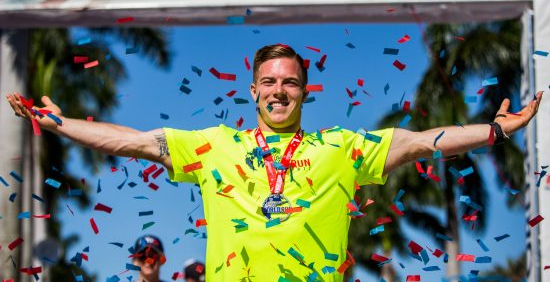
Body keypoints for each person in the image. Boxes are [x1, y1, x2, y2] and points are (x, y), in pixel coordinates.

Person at [6, 44, 543, 282]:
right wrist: (62, 124)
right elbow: (135, 142)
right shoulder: (215, 144)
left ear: (306, 91)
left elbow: (423, 141)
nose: (279, 91)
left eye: (289, 82)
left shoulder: (342, 147)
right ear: (252, 91)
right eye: (269, 82)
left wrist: (495, 130)